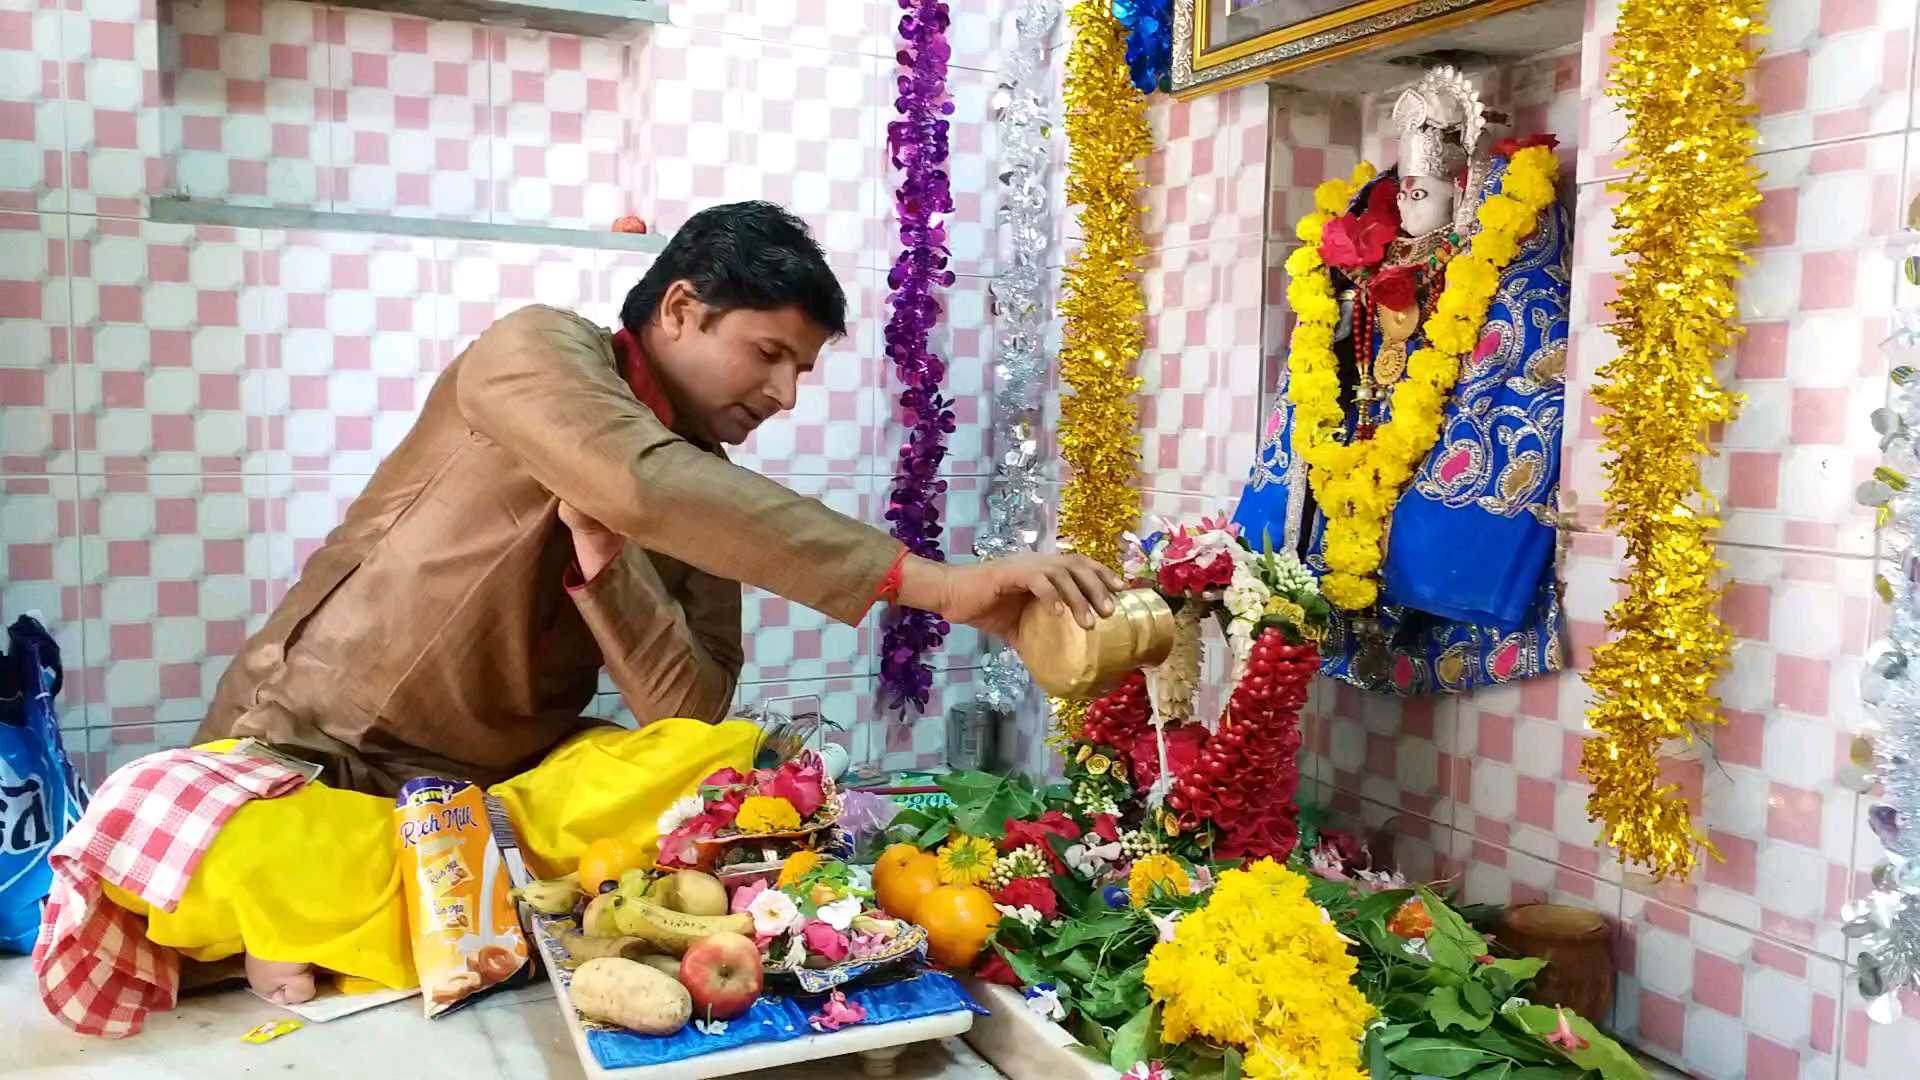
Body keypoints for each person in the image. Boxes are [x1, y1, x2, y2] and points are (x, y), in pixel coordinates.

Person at [193, 200, 1121, 795]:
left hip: (478, 799)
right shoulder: (536, 351)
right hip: (306, 753)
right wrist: (943, 587)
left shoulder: (699, 488)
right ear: (678, 309)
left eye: (800, 370)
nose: (784, 395)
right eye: (768, 355)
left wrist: (611, 565)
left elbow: (690, 713)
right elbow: (631, 478)